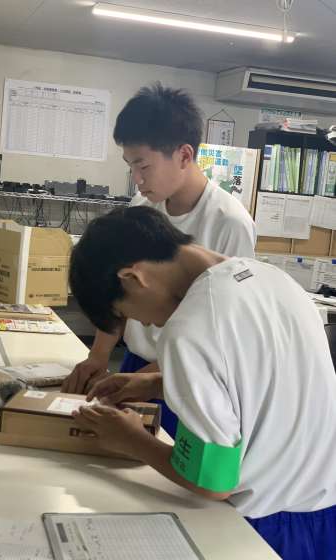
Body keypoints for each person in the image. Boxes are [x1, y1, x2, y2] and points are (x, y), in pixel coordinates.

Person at [69, 205, 336, 560]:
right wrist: (156, 384)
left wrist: (129, 439)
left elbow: (212, 482)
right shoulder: (272, 279)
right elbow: (262, 384)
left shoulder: (188, 329)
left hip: (263, 529)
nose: (145, 324)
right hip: (323, 512)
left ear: (132, 277)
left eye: (127, 314)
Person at [62, 83, 256, 437]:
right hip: (136, 361)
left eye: (143, 166)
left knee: (167, 457)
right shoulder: (143, 205)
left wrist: (147, 381)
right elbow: (117, 289)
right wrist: (98, 356)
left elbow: (224, 333)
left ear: (183, 155)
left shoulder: (229, 222)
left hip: (184, 374)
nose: (137, 179)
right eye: (130, 166)